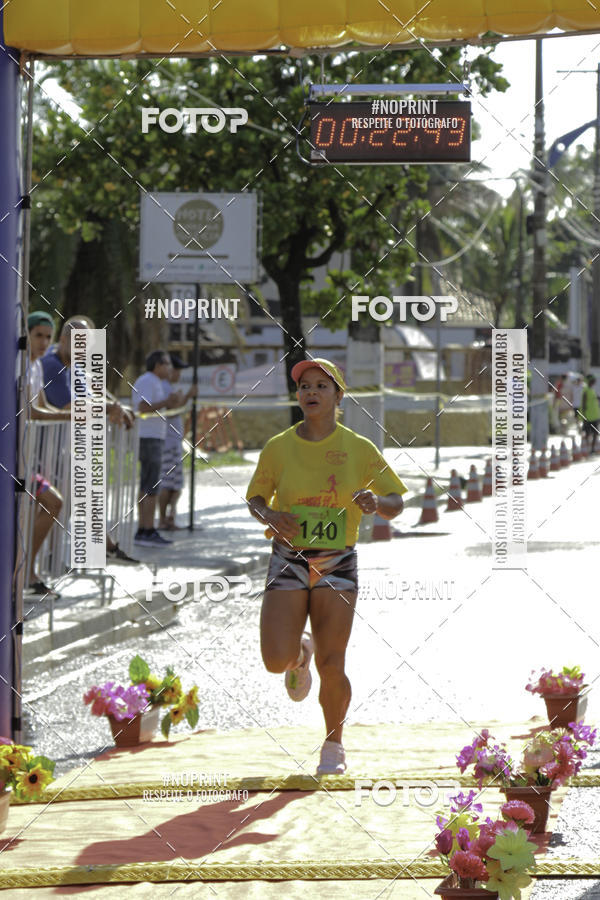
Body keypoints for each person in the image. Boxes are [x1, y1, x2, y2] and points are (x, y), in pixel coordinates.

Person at [246, 358, 407, 775]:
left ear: (339, 395)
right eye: (304, 387)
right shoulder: (278, 447)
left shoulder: (359, 448)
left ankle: (333, 745)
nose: (311, 393)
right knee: (273, 659)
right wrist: (270, 516)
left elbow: (396, 502)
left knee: (333, 661)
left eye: (321, 386)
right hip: (288, 558)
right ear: (297, 396)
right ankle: (299, 653)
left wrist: (377, 504)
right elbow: (256, 499)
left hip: (337, 561)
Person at [40, 315, 137, 563]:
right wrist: (108, 409)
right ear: (63, 339)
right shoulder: (52, 365)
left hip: (71, 450)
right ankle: (54, 558)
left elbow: (93, 399)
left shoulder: (77, 370)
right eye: (76, 340)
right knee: (60, 504)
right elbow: (71, 406)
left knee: (81, 500)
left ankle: (104, 546)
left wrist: (114, 409)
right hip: (49, 449)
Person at [25, 311, 71, 597]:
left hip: (27, 459)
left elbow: (44, 406)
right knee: (50, 502)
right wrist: (72, 418)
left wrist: (68, 414)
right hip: (13, 462)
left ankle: (27, 572)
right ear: (26, 335)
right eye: (38, 335)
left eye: (47, 337)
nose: (43, 342)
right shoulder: (17, 365)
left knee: (53, 503)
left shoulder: (37, 367)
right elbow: (30, 411)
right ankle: (24, 575)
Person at [132, 350, 183, 546]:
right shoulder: (147, 381)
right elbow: (142, 407)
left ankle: (146, 528)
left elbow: (163, 407)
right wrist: (166, 402)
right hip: (149, 437)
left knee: (149, 484)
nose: (170, 368)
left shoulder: (156, 383)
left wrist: (173, 401)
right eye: (168, 364)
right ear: (158, 365)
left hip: (155, 437)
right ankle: (146, 530)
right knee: (151, 486)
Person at [158, 353, 196, 530]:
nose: (179, 374)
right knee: (168, 483)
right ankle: (164, 519)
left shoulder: (168, 387)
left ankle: (170, 517)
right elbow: (171, 411)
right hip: (168, 442)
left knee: (175, 483)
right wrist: (187, 396)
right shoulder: (164, 387)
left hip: (173, 441)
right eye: (177, 370)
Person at [581, 374, 600, 453]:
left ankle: (592, 449)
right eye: (593, 380)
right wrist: (584, 416)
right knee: (587, 433)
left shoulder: (592, 390)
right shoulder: (586, 390)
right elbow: (584, 404)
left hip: (595, 416)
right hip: (588, 416)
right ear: (589, 381)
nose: (594, 382)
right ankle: (587, 449)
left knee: (595, 433)